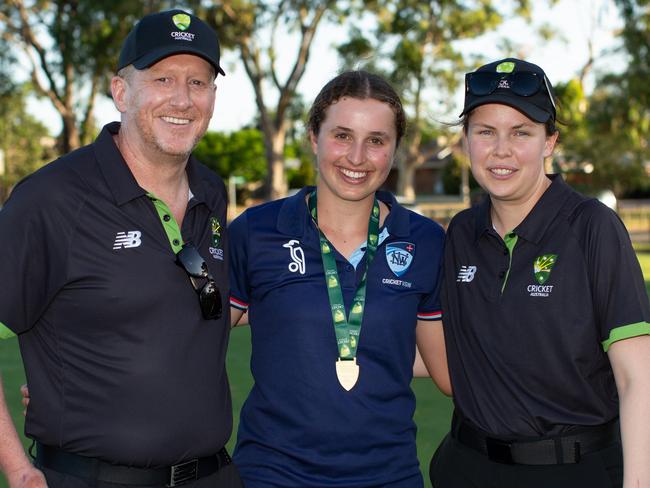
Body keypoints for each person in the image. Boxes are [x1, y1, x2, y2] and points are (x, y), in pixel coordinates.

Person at [0, 9, 242, 488]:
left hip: (213, 474)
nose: (182, 98)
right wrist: (19, 471)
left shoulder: (211, 192)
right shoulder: (51, 199)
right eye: (163, 78)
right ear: (120, 92)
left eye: (198, 82)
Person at [426, 57, 650, 487]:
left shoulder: (592, 227)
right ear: (466, 141)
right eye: (485, 131)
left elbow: (636, 377)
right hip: (468, 466)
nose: (501, 150)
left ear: (550, 142)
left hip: (572, 469)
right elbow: (449, 350)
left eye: (521, 133)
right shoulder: (461, 233)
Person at [227, 70, 450, 487]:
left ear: (395, 149)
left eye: (377, 141)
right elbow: (194, 341)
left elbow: (447, 369)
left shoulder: (426, 241)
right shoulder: (256, 231)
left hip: (388, 474)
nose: (357, 157)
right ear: (313, 136)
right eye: (342, 135)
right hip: (272, 474)